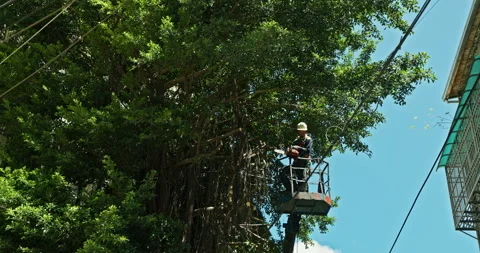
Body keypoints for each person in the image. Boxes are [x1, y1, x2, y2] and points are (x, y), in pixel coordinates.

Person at [280, 122, 313, 194]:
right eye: (299, 131)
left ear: (304, 131)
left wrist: (298, 148)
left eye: (301, 131)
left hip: (304, 162)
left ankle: (302, 192)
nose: (300, 132)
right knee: (284, 173)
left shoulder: (308, 140)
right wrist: (289, 150)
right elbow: (291, 148)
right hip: (297, 161)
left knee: (302, 178)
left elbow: (308, 151)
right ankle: (292, 188)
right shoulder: (296, 140)